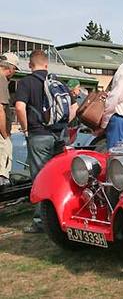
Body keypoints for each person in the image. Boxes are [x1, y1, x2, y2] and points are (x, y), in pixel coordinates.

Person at [15, 50, 76, 233]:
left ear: (30, 65)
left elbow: (19, 106)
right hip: (60, 136)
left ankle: (41, 221)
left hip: (38, 135)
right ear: (47, 65)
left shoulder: (26, 83)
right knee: (62, 176)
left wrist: (25, 128)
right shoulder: (59, 82)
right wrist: (63, 124)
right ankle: (63, 216)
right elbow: (75, 106)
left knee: (41, 178)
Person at [0, 53, 19, 189]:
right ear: (11, 68)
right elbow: (0, 110)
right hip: (0, 133)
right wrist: (5, 135)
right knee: (3, 166)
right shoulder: (1, 80)